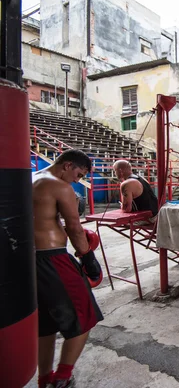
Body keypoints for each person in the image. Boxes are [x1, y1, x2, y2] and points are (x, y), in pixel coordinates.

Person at [32, 149, 104, 388]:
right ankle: (62, 378)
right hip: (52, 260)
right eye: (78, 174)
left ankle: (45, 378)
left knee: (45, 324)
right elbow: (74, 227)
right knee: (84, 315)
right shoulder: (60, 187)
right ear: (67, 165)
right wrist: (88, 257)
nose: (77, 180)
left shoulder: (31, 178)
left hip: (26, 261)